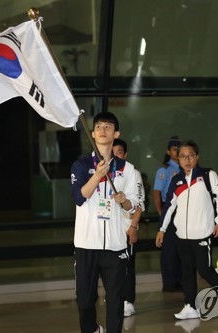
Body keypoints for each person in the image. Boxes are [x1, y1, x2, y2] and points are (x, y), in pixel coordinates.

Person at [71, 112, 139, 333]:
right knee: (84, 301)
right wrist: (97, 175)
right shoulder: (81, 165)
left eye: (108, 127)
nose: (102, 130)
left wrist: (125, 201)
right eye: (98, 127)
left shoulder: (127, 169)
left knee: (116, 300)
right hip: (86, 244)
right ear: (92, 133)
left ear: (116, 134)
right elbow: (79, 197)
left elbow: (134, 205)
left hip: (115, 245)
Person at [155, 140, 218, 320]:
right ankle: (190, 306)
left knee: (205, 270)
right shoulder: (176, 180)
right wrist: (162, 229)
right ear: (177, 159)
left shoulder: (207, 175)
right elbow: (169, 207)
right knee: (186, 271)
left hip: (203, 233)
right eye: (182, 156)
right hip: (182, 235)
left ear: (197, 157)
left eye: (190, 156)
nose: (187, 160)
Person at [112, 138, 145, 318]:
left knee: (127, 267)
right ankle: (116, 298)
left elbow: (139, 204)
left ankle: (128, 301)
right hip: (110, 231)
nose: (116, 155)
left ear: (125, 154)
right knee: (113, 267)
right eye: (113, 152)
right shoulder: (106, 173)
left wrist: (133, 227)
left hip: (126, 228)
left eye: (119, 152)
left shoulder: (133, 173)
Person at [153, 135, 183, 292]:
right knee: (169, 249)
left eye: (179, 149)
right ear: (168, 151)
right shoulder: (164, 170)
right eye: (174, 149)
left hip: (183, 211)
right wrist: (161, 212)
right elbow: (157, 192)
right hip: (169, 209)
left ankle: (181, 280)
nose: (177, 152)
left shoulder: (186, 168)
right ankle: (170, 282)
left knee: (182, 247)